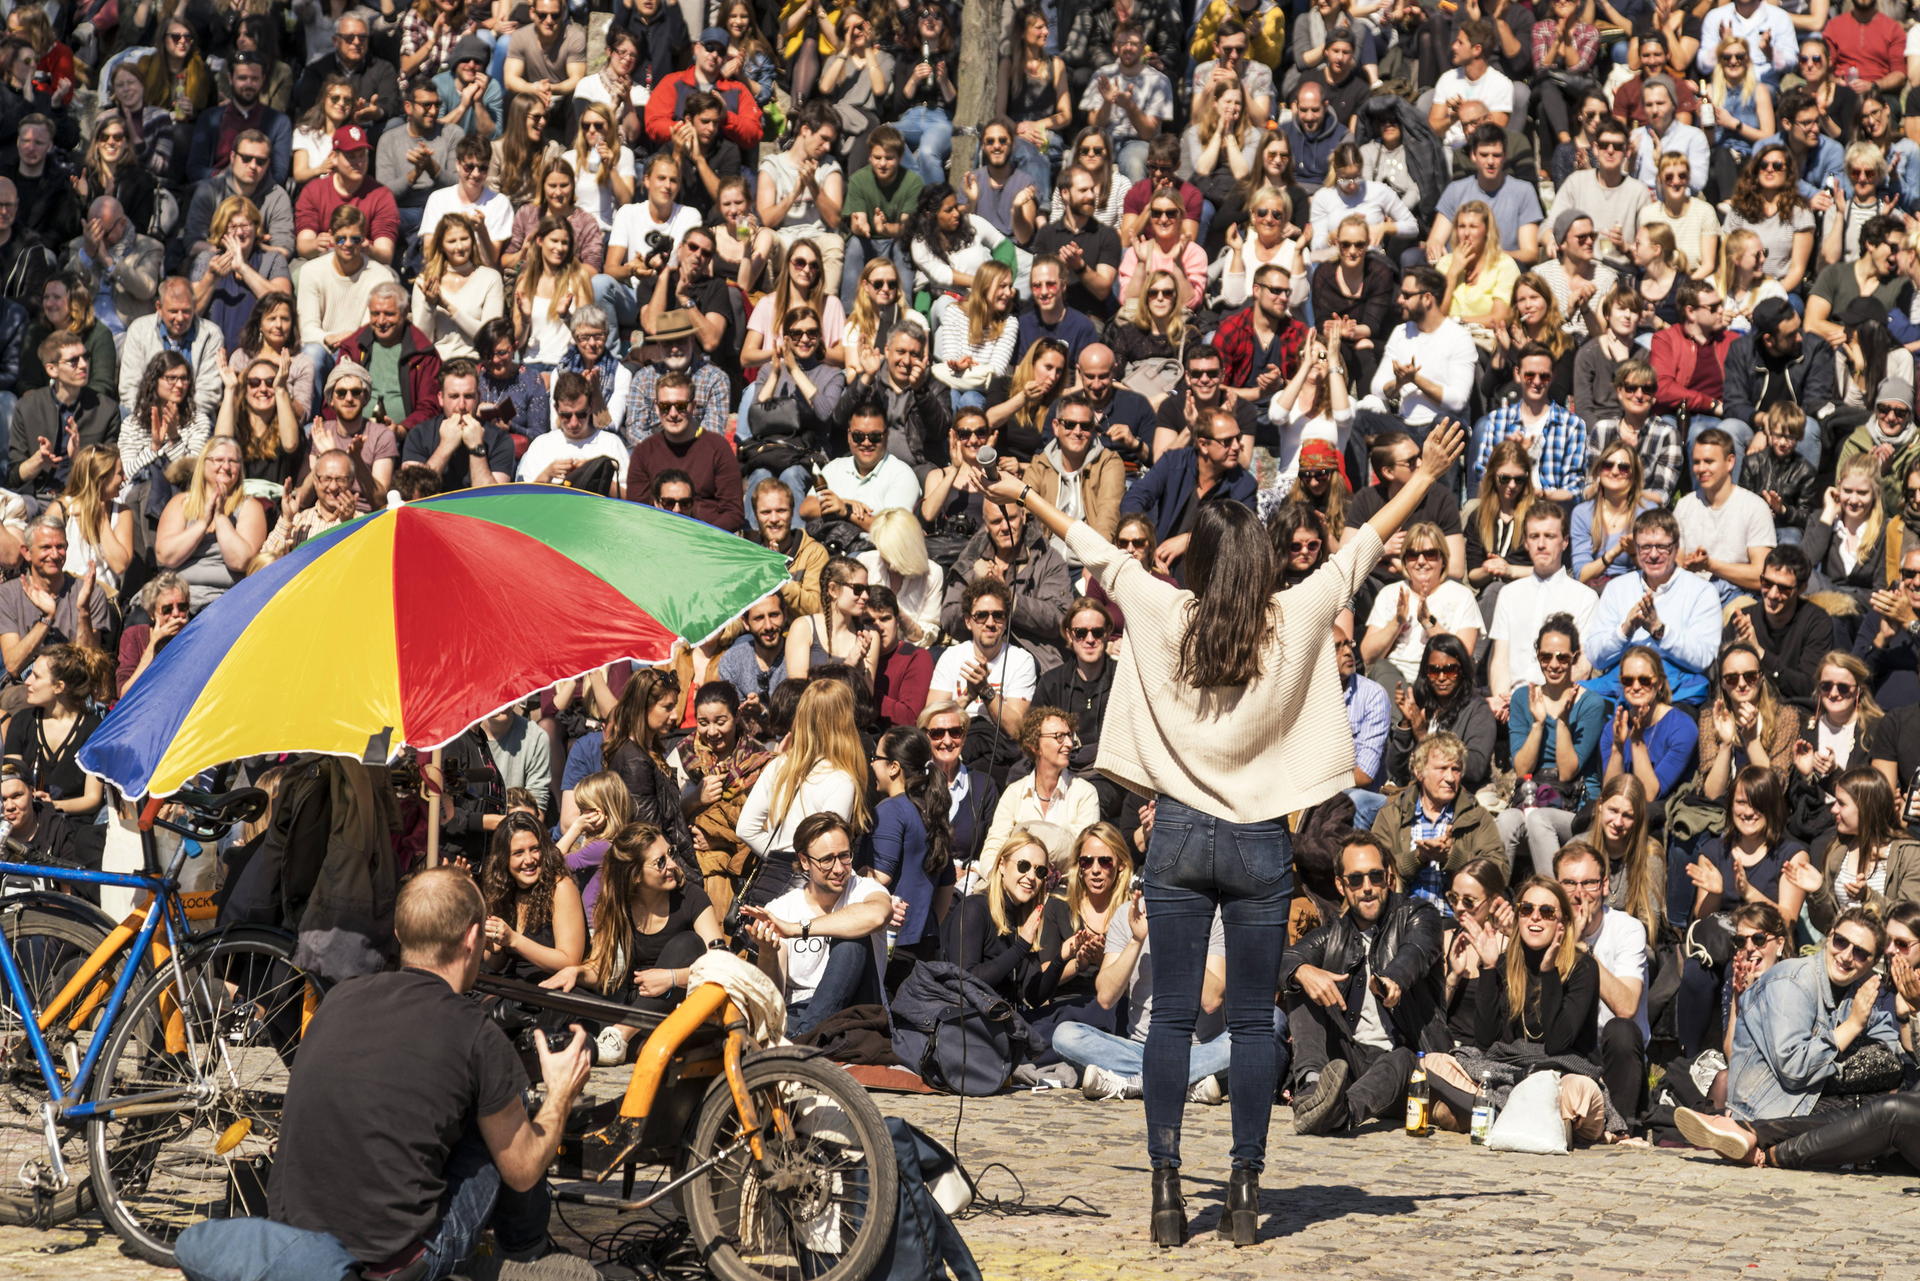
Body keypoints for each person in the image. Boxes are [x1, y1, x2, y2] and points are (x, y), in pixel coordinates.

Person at [975, 416, 1464, 1242]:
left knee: (1167, 1021)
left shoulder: (1165, 610)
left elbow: (1094, 547)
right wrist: (1427, 477)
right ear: (1263, 562)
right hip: (1258, 842)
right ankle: (1243, 1187)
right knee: (1245, 1023)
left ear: (1196, 557)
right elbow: (1367, 544)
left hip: (1179, 837)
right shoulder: (1296, 612)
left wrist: (1024, 492)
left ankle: (1168, 1190)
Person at [173, 868, 598, 1281]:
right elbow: (522, 1170)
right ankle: (524, 1253)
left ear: (400, 934)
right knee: (505, 1108)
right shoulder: (475, 1031)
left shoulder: (339, 998)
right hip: (397, 1261)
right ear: (472, 938)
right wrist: (560, 1093)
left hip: (296, 1244)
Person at [1284, 829, 1446, 1135]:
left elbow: (1417, 950)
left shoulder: (1418, 914)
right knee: (1302, 980)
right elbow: (1283, 960)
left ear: (1389, 877)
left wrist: (1394, 979)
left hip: (1408, 1065)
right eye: (1356, 879)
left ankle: (1340, 1113)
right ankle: (1311, 1089)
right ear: (1340, 885)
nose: (1367, 887)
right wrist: (1304, 972)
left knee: (1401, 1059)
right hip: (1351, 1059)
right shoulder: (1333, 934)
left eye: (1375, 876)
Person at [545, 820, 723, 1064]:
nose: (672, 865)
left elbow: (723, 964)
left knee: (688, 942)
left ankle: (621, 1037)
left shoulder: (691, 898)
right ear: (635, 875)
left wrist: (672, 977)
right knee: (566, 994)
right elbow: (602, 970)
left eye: (670, 854)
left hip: (676, 1008)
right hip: (628, 1007)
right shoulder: (618, 904)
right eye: (660, 862)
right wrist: (576, 973)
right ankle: (630, 1043)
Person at [1675, 765, 1812, 1052]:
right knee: (1694, 973)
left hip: (1764, 947)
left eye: (1757, 804)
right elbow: (1703, 915)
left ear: (1772, 806)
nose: (1748, 812)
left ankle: (1737, 1055)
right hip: (1720, 945)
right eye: (1741, 802)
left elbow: (1786, 919)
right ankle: (1690, 1056)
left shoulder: (1792, 854)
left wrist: (1748, 891)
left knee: (1741, 966)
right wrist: (1716, 893)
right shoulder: (1714, 850)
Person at [743, 811, 892, 1037]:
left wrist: (796, 929)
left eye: (845, 856)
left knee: (853, 938)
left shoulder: (865, 889)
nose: (839, 869)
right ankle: (806, 1037)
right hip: (801, 1013)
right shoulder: (781, 909)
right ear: (804, 861)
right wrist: (767, 952)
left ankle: (805, 1043)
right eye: (827, 860)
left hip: (856, 1011)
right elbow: (775, 995)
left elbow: (877, 916)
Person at [736, 678, 870, 906]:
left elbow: (745, 828)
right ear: (844, 720)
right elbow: (829, 850)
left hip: (769, 887)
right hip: (809, 899)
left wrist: (779, 859)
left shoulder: (779, 765)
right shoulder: (841, 779)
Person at [1584, 508, 1724, 704]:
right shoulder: (1617, 588)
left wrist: (1660, 631)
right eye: (1646, 547)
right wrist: (1625, 631)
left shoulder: (1702, 591)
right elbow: (1596, 657)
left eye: (1662, 547)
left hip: (1674, 692)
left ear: (1675, 548)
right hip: (1622, 686)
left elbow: (1703, 659)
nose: (1654, 555)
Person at [1500, 617, 1607, 872]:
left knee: (1538, 820)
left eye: (1562, 657)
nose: (1554, 664)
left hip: (1575, 804)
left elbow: (1569, 771)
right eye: (1546, 657)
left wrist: (1561, 722)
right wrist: (1537, 724)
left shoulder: (1591, 704)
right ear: (1538, 656)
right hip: (1531, 797)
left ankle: (1553, 898)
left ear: (1575, 657)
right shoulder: (1522, 698)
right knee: (1505, 821)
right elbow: (1522, 767)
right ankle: (1493, 899)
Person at [863, 725, 956, 959]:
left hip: (891, 938)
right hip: (925, 937)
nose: (872, 764)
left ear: (893, 767)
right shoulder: (932, 810)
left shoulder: (891, 810)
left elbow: (880, 877)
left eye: (876, 758)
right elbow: (947, 885)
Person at [979, 706, 1102, 872]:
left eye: (1069, 735)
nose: (1069, 743)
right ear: (1034, 744)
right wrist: (997, 880)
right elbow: (994, 847)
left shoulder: (1085, 793)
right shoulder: (1014, 793)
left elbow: (1083, 852)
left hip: (1064, 889)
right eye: (1059, 737)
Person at [1360, 522, 1481, 688]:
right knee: (1381, 669)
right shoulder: (1390, 594)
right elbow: (1367, 655)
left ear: (1443, 559)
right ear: (1405, 560)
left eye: (1430, 554)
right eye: (1413, 555)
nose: (1421, 561)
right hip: (1396, 677)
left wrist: (1429, 623)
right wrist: (1397, 622)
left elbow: (1464, 655)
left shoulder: (1462, 596)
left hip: (1440, 677)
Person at [154, 436, 268, 610]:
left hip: (223, 599)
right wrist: (203, 522)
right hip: (176, 597)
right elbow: (165, 556)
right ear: (204, 463)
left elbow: (241, 561)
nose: (226, 466)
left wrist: (220, 517)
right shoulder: (180, 502)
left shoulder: (250, 507)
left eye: (233, 461)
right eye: (219, 460)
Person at [625, 371, 743, 530]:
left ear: (693, 406)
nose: (673, 414)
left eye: (680, 406)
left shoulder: (717, 447)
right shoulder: (644, 452)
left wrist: (700, 538)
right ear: (656, 407)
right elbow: (636, 512)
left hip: (708, 540)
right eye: (665, 406)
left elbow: (733, 513)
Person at [479, 811, 587, 983]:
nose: (529, 860)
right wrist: (496, 949)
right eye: (518, 853)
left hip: (550, 990)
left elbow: (569, 961)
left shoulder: (560, 887)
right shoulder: (503, 890)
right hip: (513, 985)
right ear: (504, 859)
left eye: (535, 849)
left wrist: (514, 940)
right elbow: (495, 965)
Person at [9, 331, 116, 502]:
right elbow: (13, 477)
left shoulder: (106, 410)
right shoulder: (28, 406)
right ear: (52, 369)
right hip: (35, 498)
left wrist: (79, 457)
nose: (83, 365)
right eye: (73, 361)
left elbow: (111, 474)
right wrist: (38, 460)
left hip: (83, 499)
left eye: (85, 357)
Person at [1725, 545, 1834, 706]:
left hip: (1795, 711)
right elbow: (1722, 680)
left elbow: (1809, 687)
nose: (1773, 594)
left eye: (1784, 588)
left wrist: (1759, 653)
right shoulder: (1742, 620)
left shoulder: (1817, 622)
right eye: (1767, 583)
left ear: (1802, 588)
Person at [117, 276, 224, 424]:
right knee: (124, 412)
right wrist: (154, 419)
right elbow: (130, 387)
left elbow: (209, 391)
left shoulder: (211, 334)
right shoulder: (139, 330)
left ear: (194, 306)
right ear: (159, 307)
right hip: (146, 417)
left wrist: (180, 420)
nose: (180, 318)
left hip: (193, 419)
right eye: (173, 311)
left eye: (186, 311)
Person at [293, 125, 401, 265]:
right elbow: (303, 245)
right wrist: (316, 244)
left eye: (362, 155)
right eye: (351, 156)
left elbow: (385, 254)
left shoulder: (381, 195)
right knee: (298, 271)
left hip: (365, 265)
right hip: (321, 261)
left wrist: (367, 248)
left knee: (388, 277)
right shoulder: (313, 190)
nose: (359, 162)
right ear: (334, 157)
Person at [400, 360, 514, 490]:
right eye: (454, 396)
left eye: (468, 396)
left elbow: (493, 500)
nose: (461, 406)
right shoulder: (419, 435)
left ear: (478, 397)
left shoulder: (499, 439)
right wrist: (445, 447)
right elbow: (413, 494)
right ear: (441, 398)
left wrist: (476, 447)